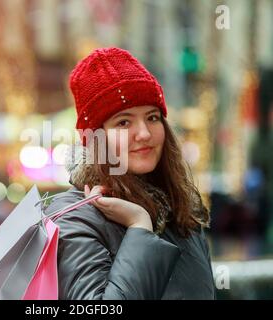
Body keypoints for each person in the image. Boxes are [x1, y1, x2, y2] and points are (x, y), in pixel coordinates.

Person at [45, 47, 216, 300]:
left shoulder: (181, 214)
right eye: (124, 122)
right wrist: (139, 227)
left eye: (152, 117)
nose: (144, 133)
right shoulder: (75, 218)